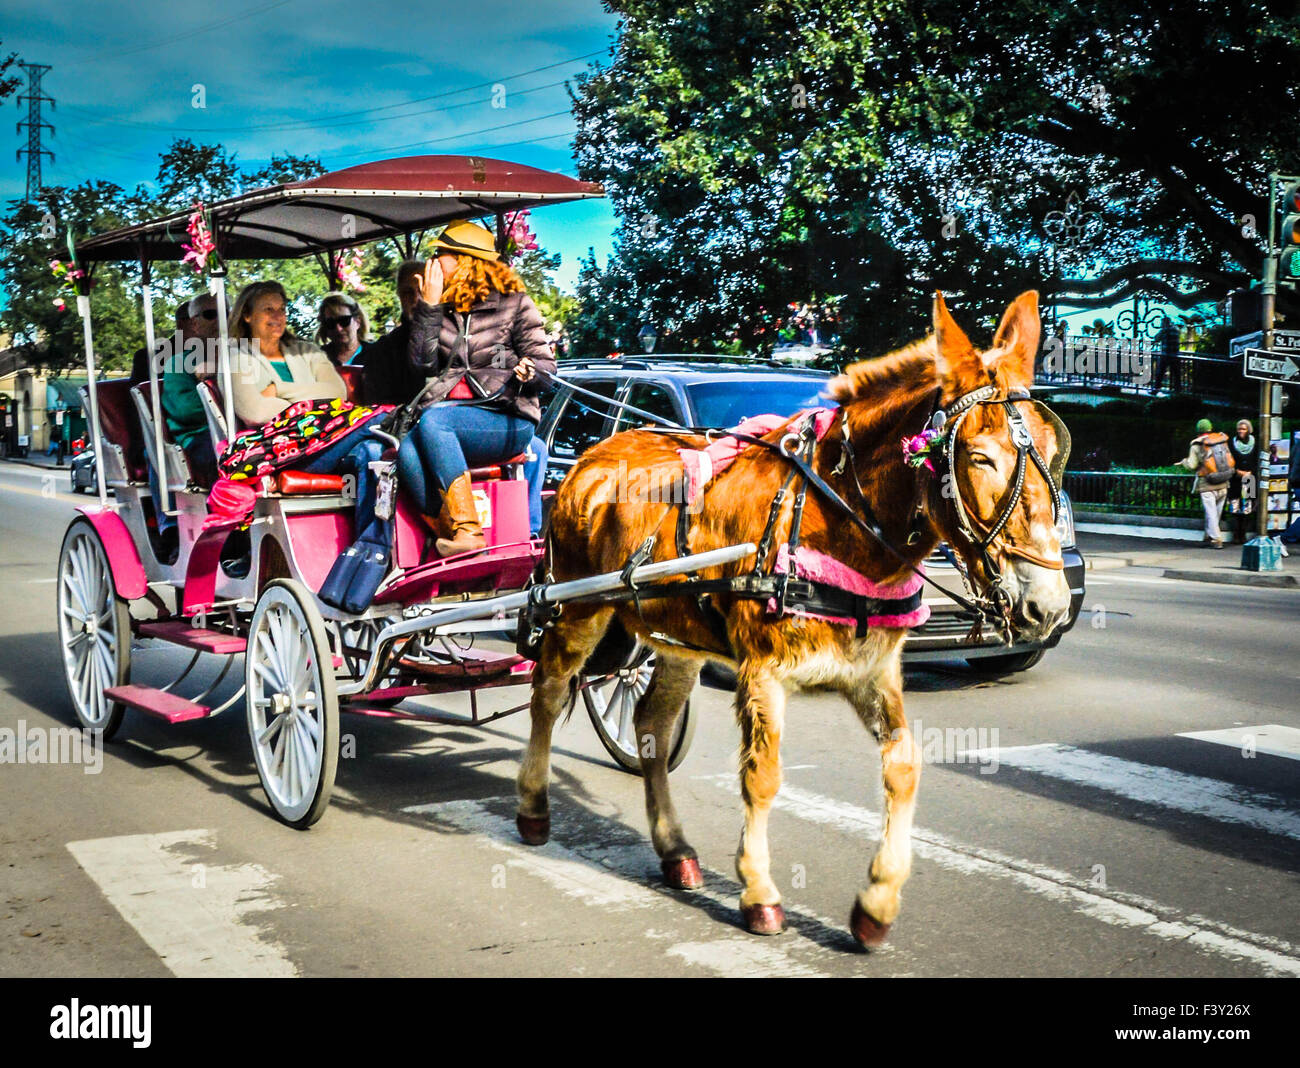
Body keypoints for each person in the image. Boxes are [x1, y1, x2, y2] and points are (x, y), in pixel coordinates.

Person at [398, 219, 554, 555]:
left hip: (507, 419)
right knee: (406, 450)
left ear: (466, 261)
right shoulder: (439, 308)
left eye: (441, 254)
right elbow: (420, 365)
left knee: (435, 422)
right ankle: (449, 535)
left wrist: (531, 372)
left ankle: (469, 532)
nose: (435, 261)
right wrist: (428, 308)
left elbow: (547, 369)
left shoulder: (515, 303)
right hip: (450, 422)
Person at [359, 260, 428, 407]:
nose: (416, 299)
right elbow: (378, 406)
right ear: (399, 296)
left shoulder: (453, 338)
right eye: (408, 293)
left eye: (423, 290)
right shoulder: (382, 350)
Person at [1176, 418, 1234, 549]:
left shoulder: (1197, 444)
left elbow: (1192, 465)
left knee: (1211, 513)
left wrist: (1184, 462)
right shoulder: (1220, 440)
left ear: (1198, 431)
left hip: (1207, 483)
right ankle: (1208, 535)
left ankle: (1216, 539)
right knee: (1216, 513)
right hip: (1223, 481)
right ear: (1210, 428)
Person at [315, 291, 372, 369]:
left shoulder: (375, 355)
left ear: (358, 322)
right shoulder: (317, 357)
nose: (338, 328)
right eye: (330, 323)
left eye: (344, 321)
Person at [1227, 418, 1260, 544]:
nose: (1240, 431)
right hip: (1236, 479)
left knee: (1247, 508)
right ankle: (1236, 534)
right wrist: (1237, 471)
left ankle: (1243, 534)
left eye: (1243, 429)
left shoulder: (1255, 443)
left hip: (1250, 478)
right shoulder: (1232, 443)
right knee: (1235, 508)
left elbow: (1257, 459)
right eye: (1239, 429)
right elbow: (1228, 460)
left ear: (1248, 430)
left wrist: (1251, 472)